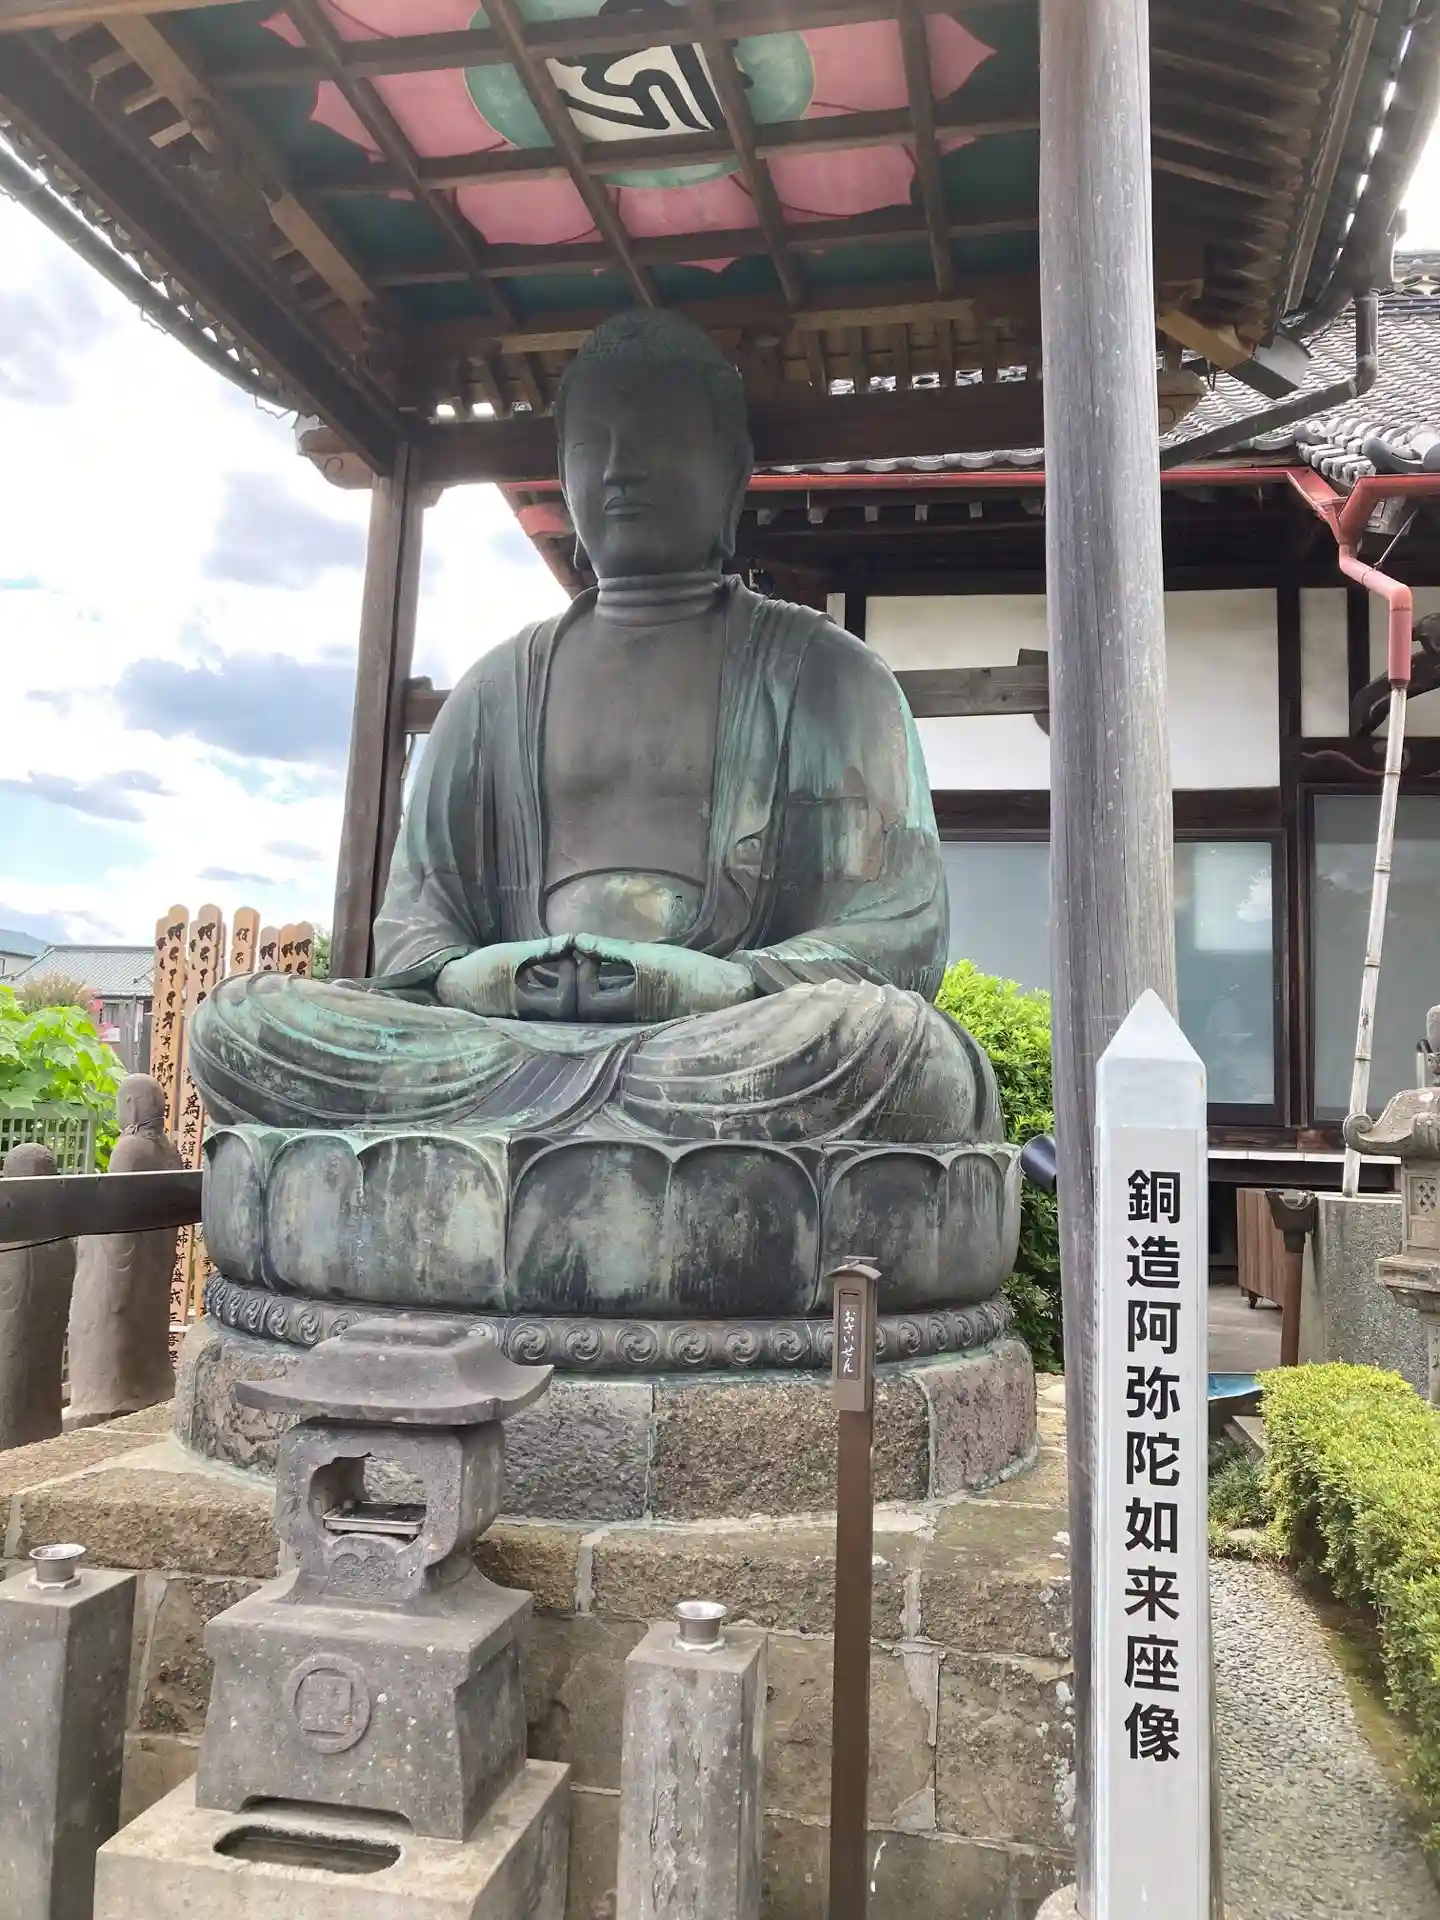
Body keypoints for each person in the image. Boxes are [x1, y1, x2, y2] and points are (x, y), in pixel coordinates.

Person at [190, 310, 999, 1149]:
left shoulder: (830, 678)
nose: (619, 469)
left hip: (720, 1051)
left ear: (731, 469)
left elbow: (902, 933)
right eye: (590, 445)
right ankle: (563, 1130)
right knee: (241, 1024)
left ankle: (539, 1140)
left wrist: (711, 985)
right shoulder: (494, 691)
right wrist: (489, 977)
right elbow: (413, 931)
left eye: (654, 437)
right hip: (499, 1046)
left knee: (896, 1047)